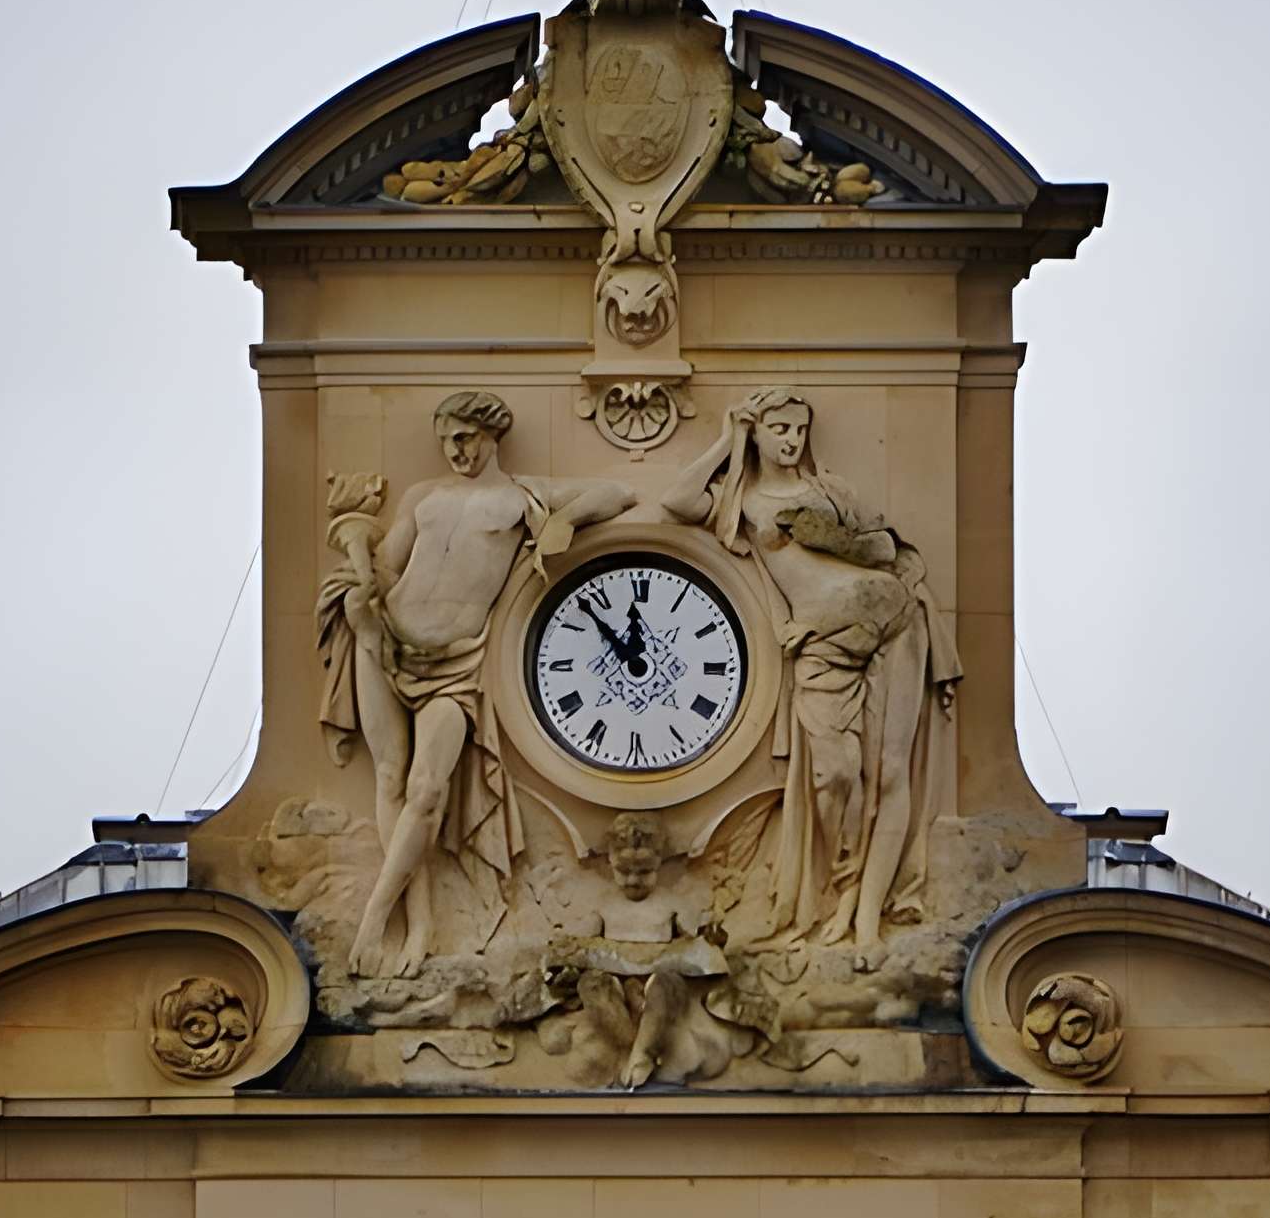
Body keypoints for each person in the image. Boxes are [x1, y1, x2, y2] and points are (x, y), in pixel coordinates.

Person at [323, 391, 633, 978]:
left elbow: (620, 493)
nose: (456, 451)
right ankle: (414, 926)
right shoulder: (424, 498)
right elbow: (389, 567)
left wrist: (560, 520)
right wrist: (361, 569)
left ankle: (374, 920)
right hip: (383, 637)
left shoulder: (519, 497)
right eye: (447, 441)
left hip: (457, 664)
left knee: (427, 792)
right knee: (389, 781)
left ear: (492, 435)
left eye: (465, 438)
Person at [658, 388, 958, 948]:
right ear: (759, 432)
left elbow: (888, 551)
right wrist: (729, 438)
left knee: (890, 772)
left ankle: (865, 912)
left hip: (892, 619)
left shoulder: (830, 491)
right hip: (823, 645)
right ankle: (839, 887)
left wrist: (834, 538)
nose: (792, 440)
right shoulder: (742, 500)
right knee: (835, 775)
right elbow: (677, 501)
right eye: (779, 429)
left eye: (800, 429)